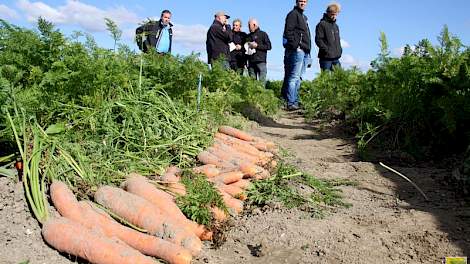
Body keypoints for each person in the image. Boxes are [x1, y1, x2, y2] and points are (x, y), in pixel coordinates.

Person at [281, 0, 312, 111]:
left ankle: (295, 101)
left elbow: (307, 36)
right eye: (300, 1)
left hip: (304, 51)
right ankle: (291, 102)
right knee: (293, 77)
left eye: (304, 1)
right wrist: (296, 44)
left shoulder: (304, 17)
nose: (302, 3)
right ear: (297, 2)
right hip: (297, 50)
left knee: (298, 78)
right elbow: (288, 32)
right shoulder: (293, 14)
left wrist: (308, 52)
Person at [315, 3, 342, 71]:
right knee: (325, 79)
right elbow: (318, 40)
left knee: (340, 78)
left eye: (336, 14)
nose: (334, 16)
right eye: (332, 14)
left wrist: (340, 50)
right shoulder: (321, 24)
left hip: (336, 58)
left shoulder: (336, 26)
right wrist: (327, 50)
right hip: (325, 58)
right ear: (328, 13)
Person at [246, 18, 271, 86]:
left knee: (261, 83)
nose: (248, 27)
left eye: (249, 25)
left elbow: (269, 46)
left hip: (261, 61)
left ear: (254, 25)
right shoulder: (248, 36)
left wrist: (257, 46)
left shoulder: (263, 34)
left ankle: (261, 96)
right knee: (252, 83)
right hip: (251, 62)